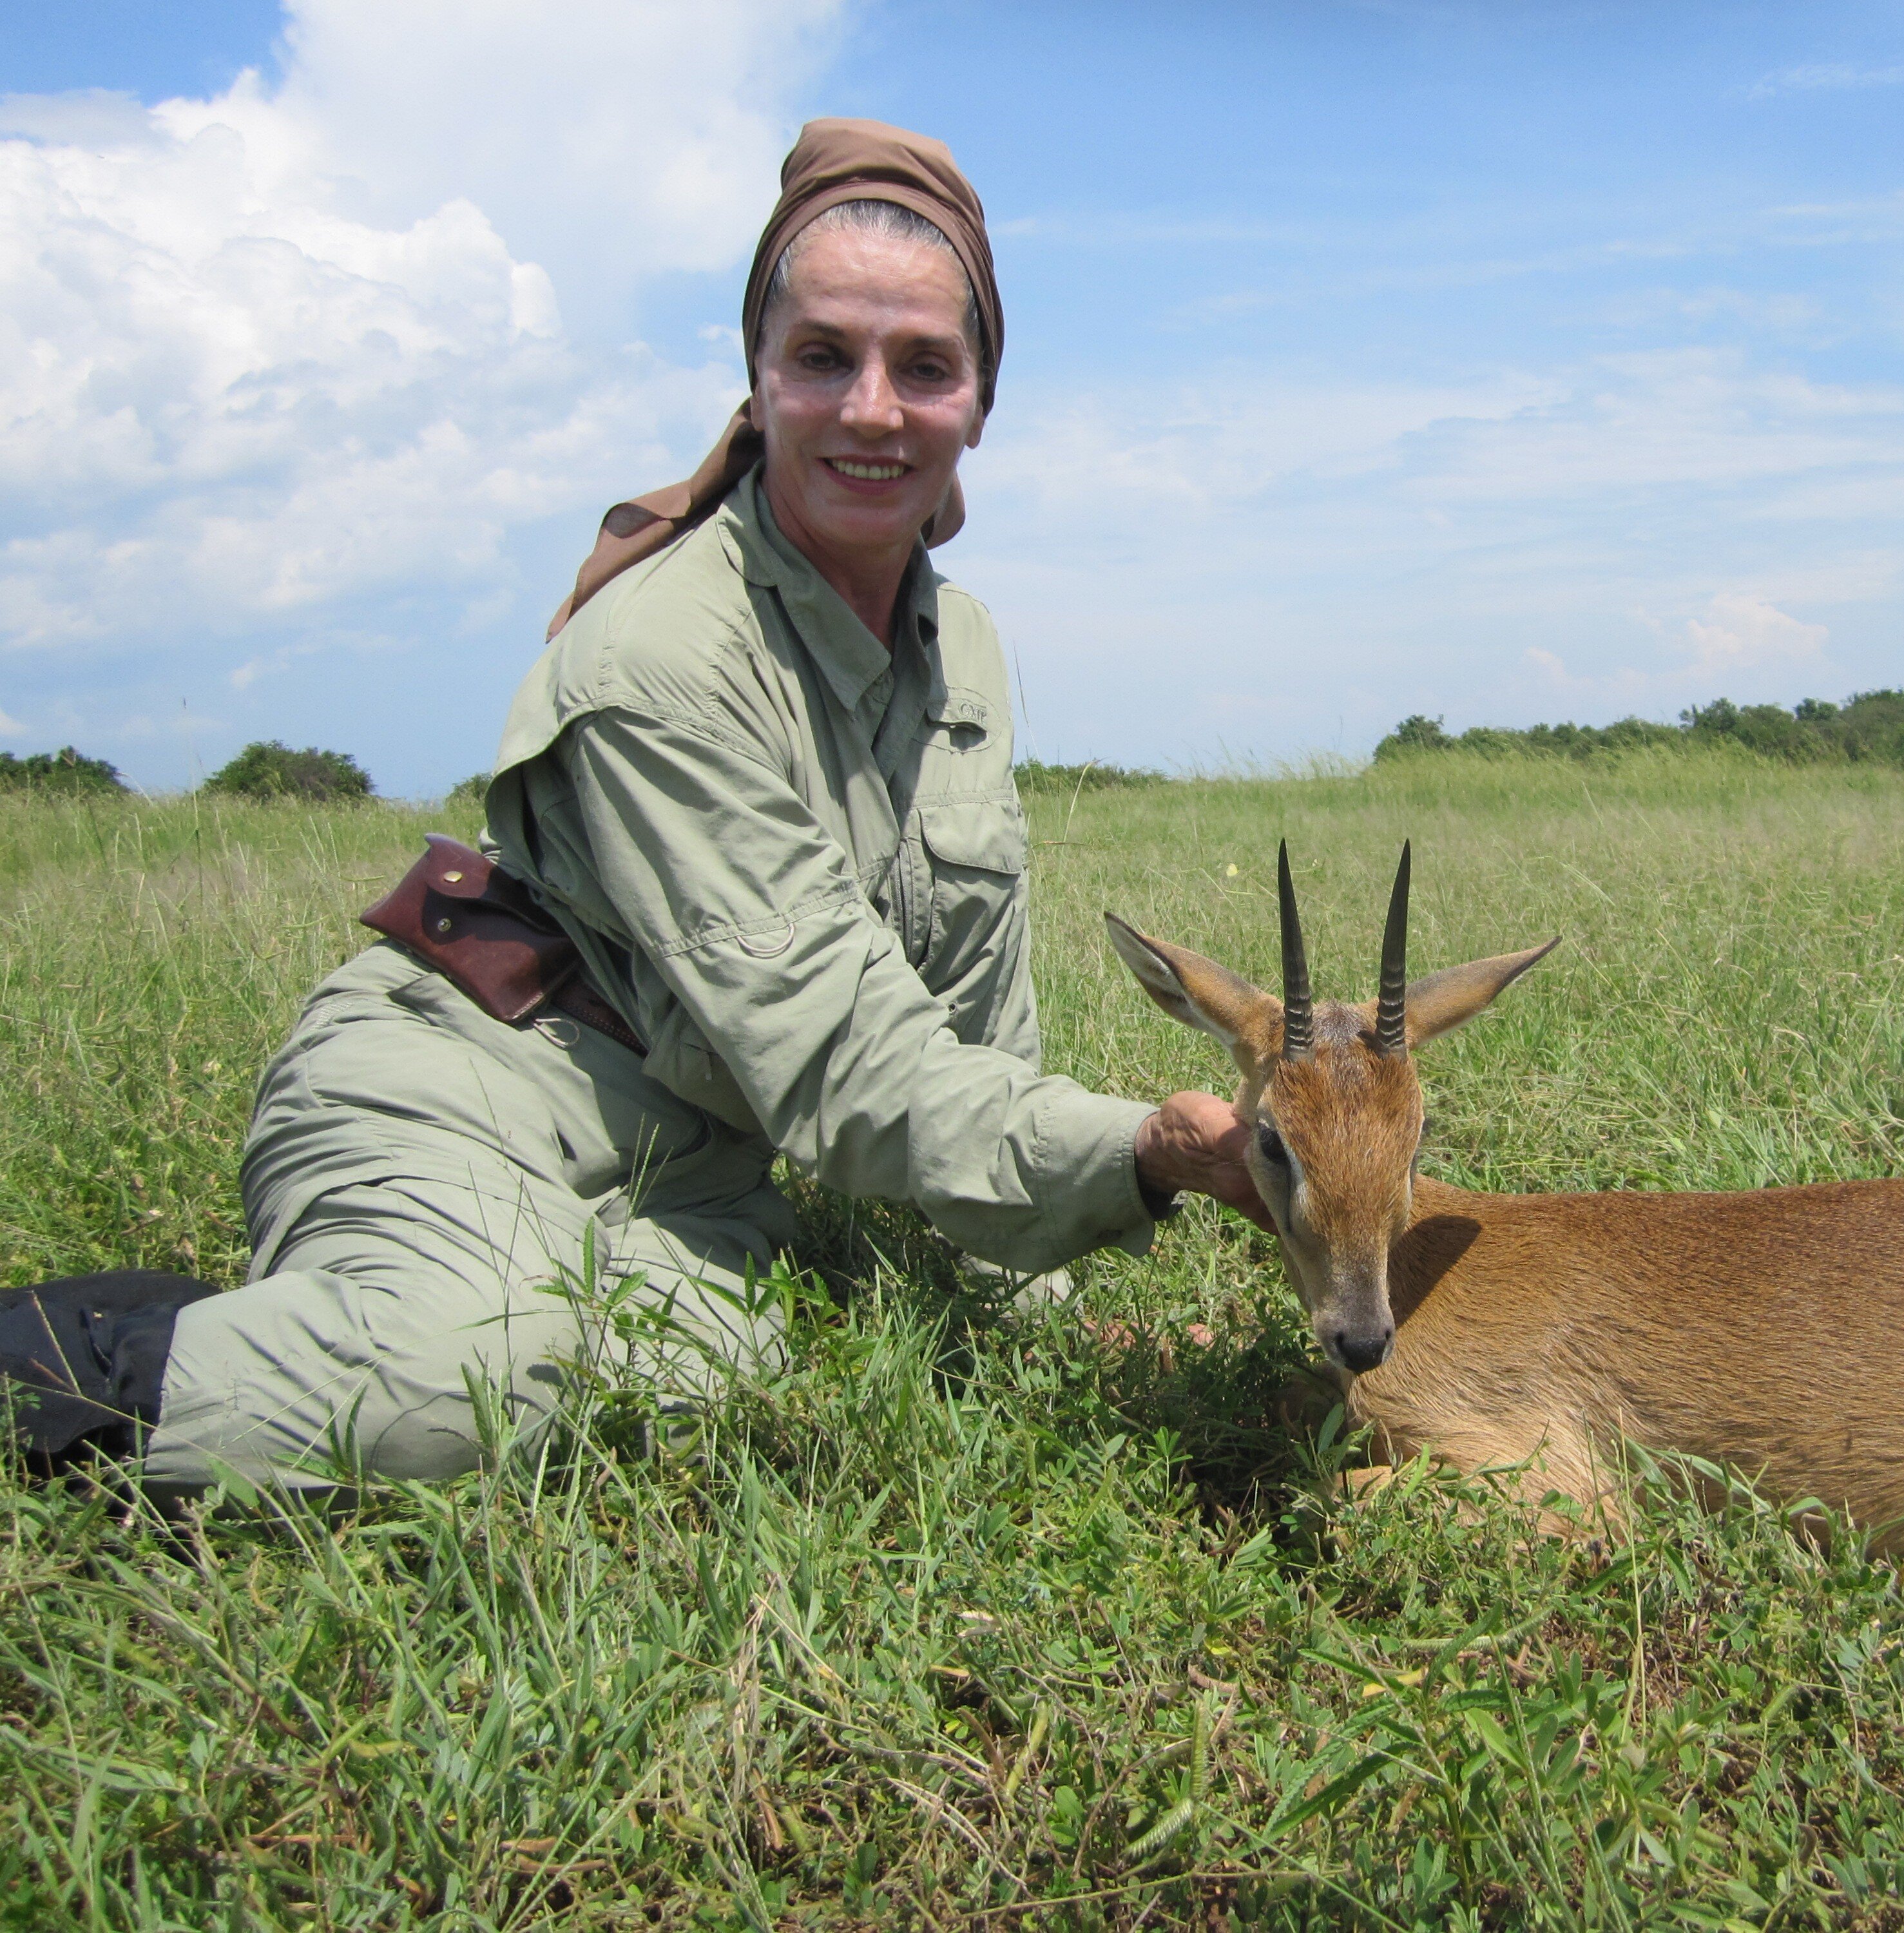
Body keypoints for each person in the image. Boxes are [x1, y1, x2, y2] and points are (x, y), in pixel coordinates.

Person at [0, 120, 1262, 1488]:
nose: (873, 409)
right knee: (468, 1383)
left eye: (925, 367)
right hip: (467, 1094)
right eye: (823, 355)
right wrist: (1143, 1154)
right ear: (760, 377)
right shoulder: (662, 660)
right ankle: (87, 1366)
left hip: (690, 1167)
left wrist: (1045, 1311)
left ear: (979, 400)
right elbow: (846, 1061)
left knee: (743, 1365)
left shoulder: (965, 653)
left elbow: (975, 1035)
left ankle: (383, 1308)